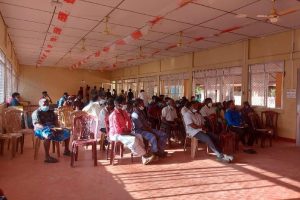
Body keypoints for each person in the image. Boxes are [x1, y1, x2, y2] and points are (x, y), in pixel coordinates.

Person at [109, 96, 155, 165]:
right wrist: (128, 133)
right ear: (118, 105)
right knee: (133, 139)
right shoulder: (114, 115)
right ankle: (145, 155)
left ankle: (143, 156)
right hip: (116, 134)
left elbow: (129, 122)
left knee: (139, 136)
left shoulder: (123, 112)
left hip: (125, 132)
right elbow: (118, 130)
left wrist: (129, 131)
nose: (125, 105)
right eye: (123, 103)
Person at [32, 98, 71, 163]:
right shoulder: (36, 113)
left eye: (47, 103)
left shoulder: (51, 112)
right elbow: (37, 124)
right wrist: (47, 128)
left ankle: (66, 150)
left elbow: (55, 122)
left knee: (67, 131)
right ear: (40, 104)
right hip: (40, 129)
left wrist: (58, 128)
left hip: (52, 127)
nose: (46, 105)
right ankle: (47, 157)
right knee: (48, 135)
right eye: (44, 103)